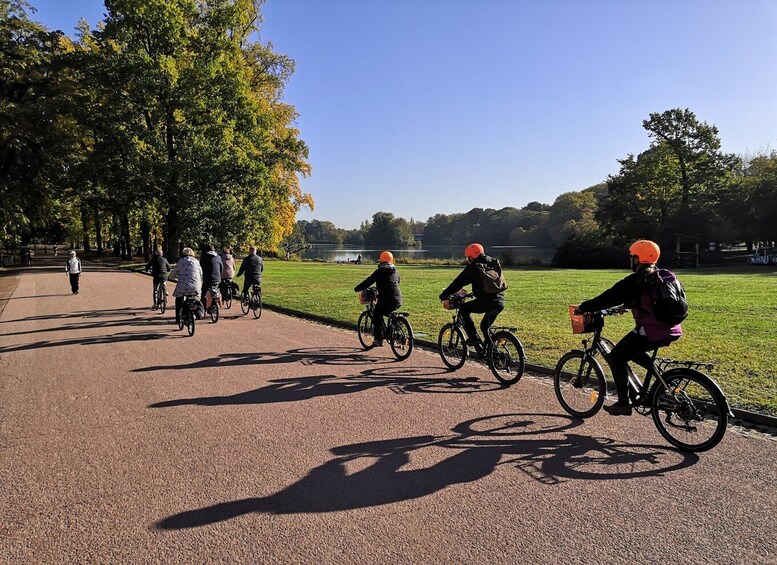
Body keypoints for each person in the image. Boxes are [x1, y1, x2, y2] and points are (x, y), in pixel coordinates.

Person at [576, 240, 683, 416]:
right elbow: (653, 299)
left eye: (632, 257)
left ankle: (623, 404)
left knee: (617, 357)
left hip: (650, 330)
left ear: (638, 259)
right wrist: (628, 304)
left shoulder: (637, 279)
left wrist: (584, 307)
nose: (631, 260)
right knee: (634, 351)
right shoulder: (663, 276)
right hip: (671, 329)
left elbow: (609, 297)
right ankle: (664, 383)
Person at [439, 243, 506, 348]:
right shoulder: (493, 262)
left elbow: (458, 283)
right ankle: (491, 353)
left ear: (471, 257)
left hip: (486, 302)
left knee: (464, 309)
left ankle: (473, 338)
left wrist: (444, 295)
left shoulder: (473, 268)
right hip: (500, 301)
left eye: (468, 257)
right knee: (485, 327)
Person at [354, 251, 402, 346]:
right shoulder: (395, 272)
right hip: (398, 299)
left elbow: (368, 281)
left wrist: (357, 288)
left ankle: (378, 339)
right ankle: (393, 328)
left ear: (381, 260)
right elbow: (396, 283)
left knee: (376, 314)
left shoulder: (379, 271)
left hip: (386, 299)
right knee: (386, 312)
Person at [170, 247, 203, 326]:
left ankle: (178, 318)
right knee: (193, 297)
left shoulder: (181, 261)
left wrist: (171, 277)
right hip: (196, 285)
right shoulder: (196, 261)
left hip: (183, 286)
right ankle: (195, 313)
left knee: (179, 299)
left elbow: (175, 271)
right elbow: (201, 273)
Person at [199, 244, 223, 311]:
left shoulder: (204, 257)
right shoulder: (218, 257)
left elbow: (201, 267)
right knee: (217, 289)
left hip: (208, 278)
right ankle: (216, 303)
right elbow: (221, 267)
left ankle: (203, 308)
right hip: (217, 278)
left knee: (204, 292)